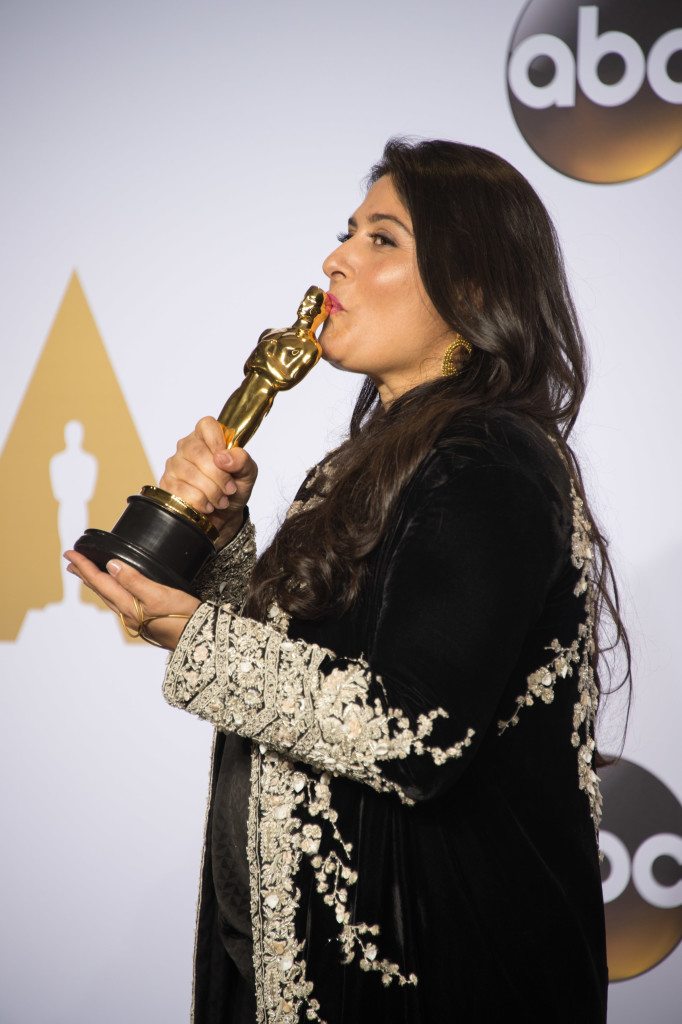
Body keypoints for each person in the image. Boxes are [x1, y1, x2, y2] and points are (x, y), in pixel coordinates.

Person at [66, 138, 631, 1024]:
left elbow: (413, 729)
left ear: (473, 288)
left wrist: (196, 635)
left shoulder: (488, 458)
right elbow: (313, 675)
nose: (337, 259)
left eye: (383, 240)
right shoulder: (375, 462)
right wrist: (221, 544)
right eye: (347, 233)